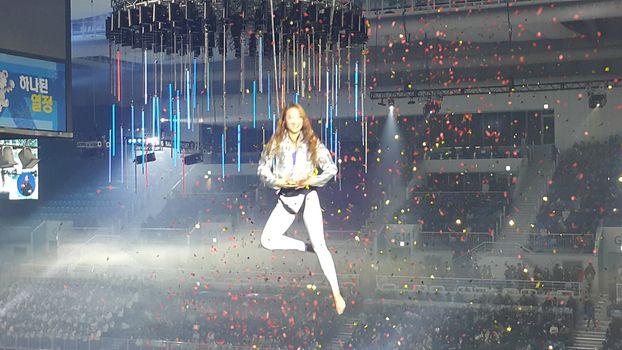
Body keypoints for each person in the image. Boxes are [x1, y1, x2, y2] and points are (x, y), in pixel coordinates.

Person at [257, 103, 346, 315]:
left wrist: (311, 178)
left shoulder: (313, 142)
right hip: (286, 199)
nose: (294, 121)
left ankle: (336, 293)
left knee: (321, 245)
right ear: (284, 121)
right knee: (266, 241)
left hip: (308, 196)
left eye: (298, 117)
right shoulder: (276, 143)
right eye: (290, 117)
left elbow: (331, 169)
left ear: (303, 119)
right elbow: (262, 169)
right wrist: (279, 181)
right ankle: (306, 247)